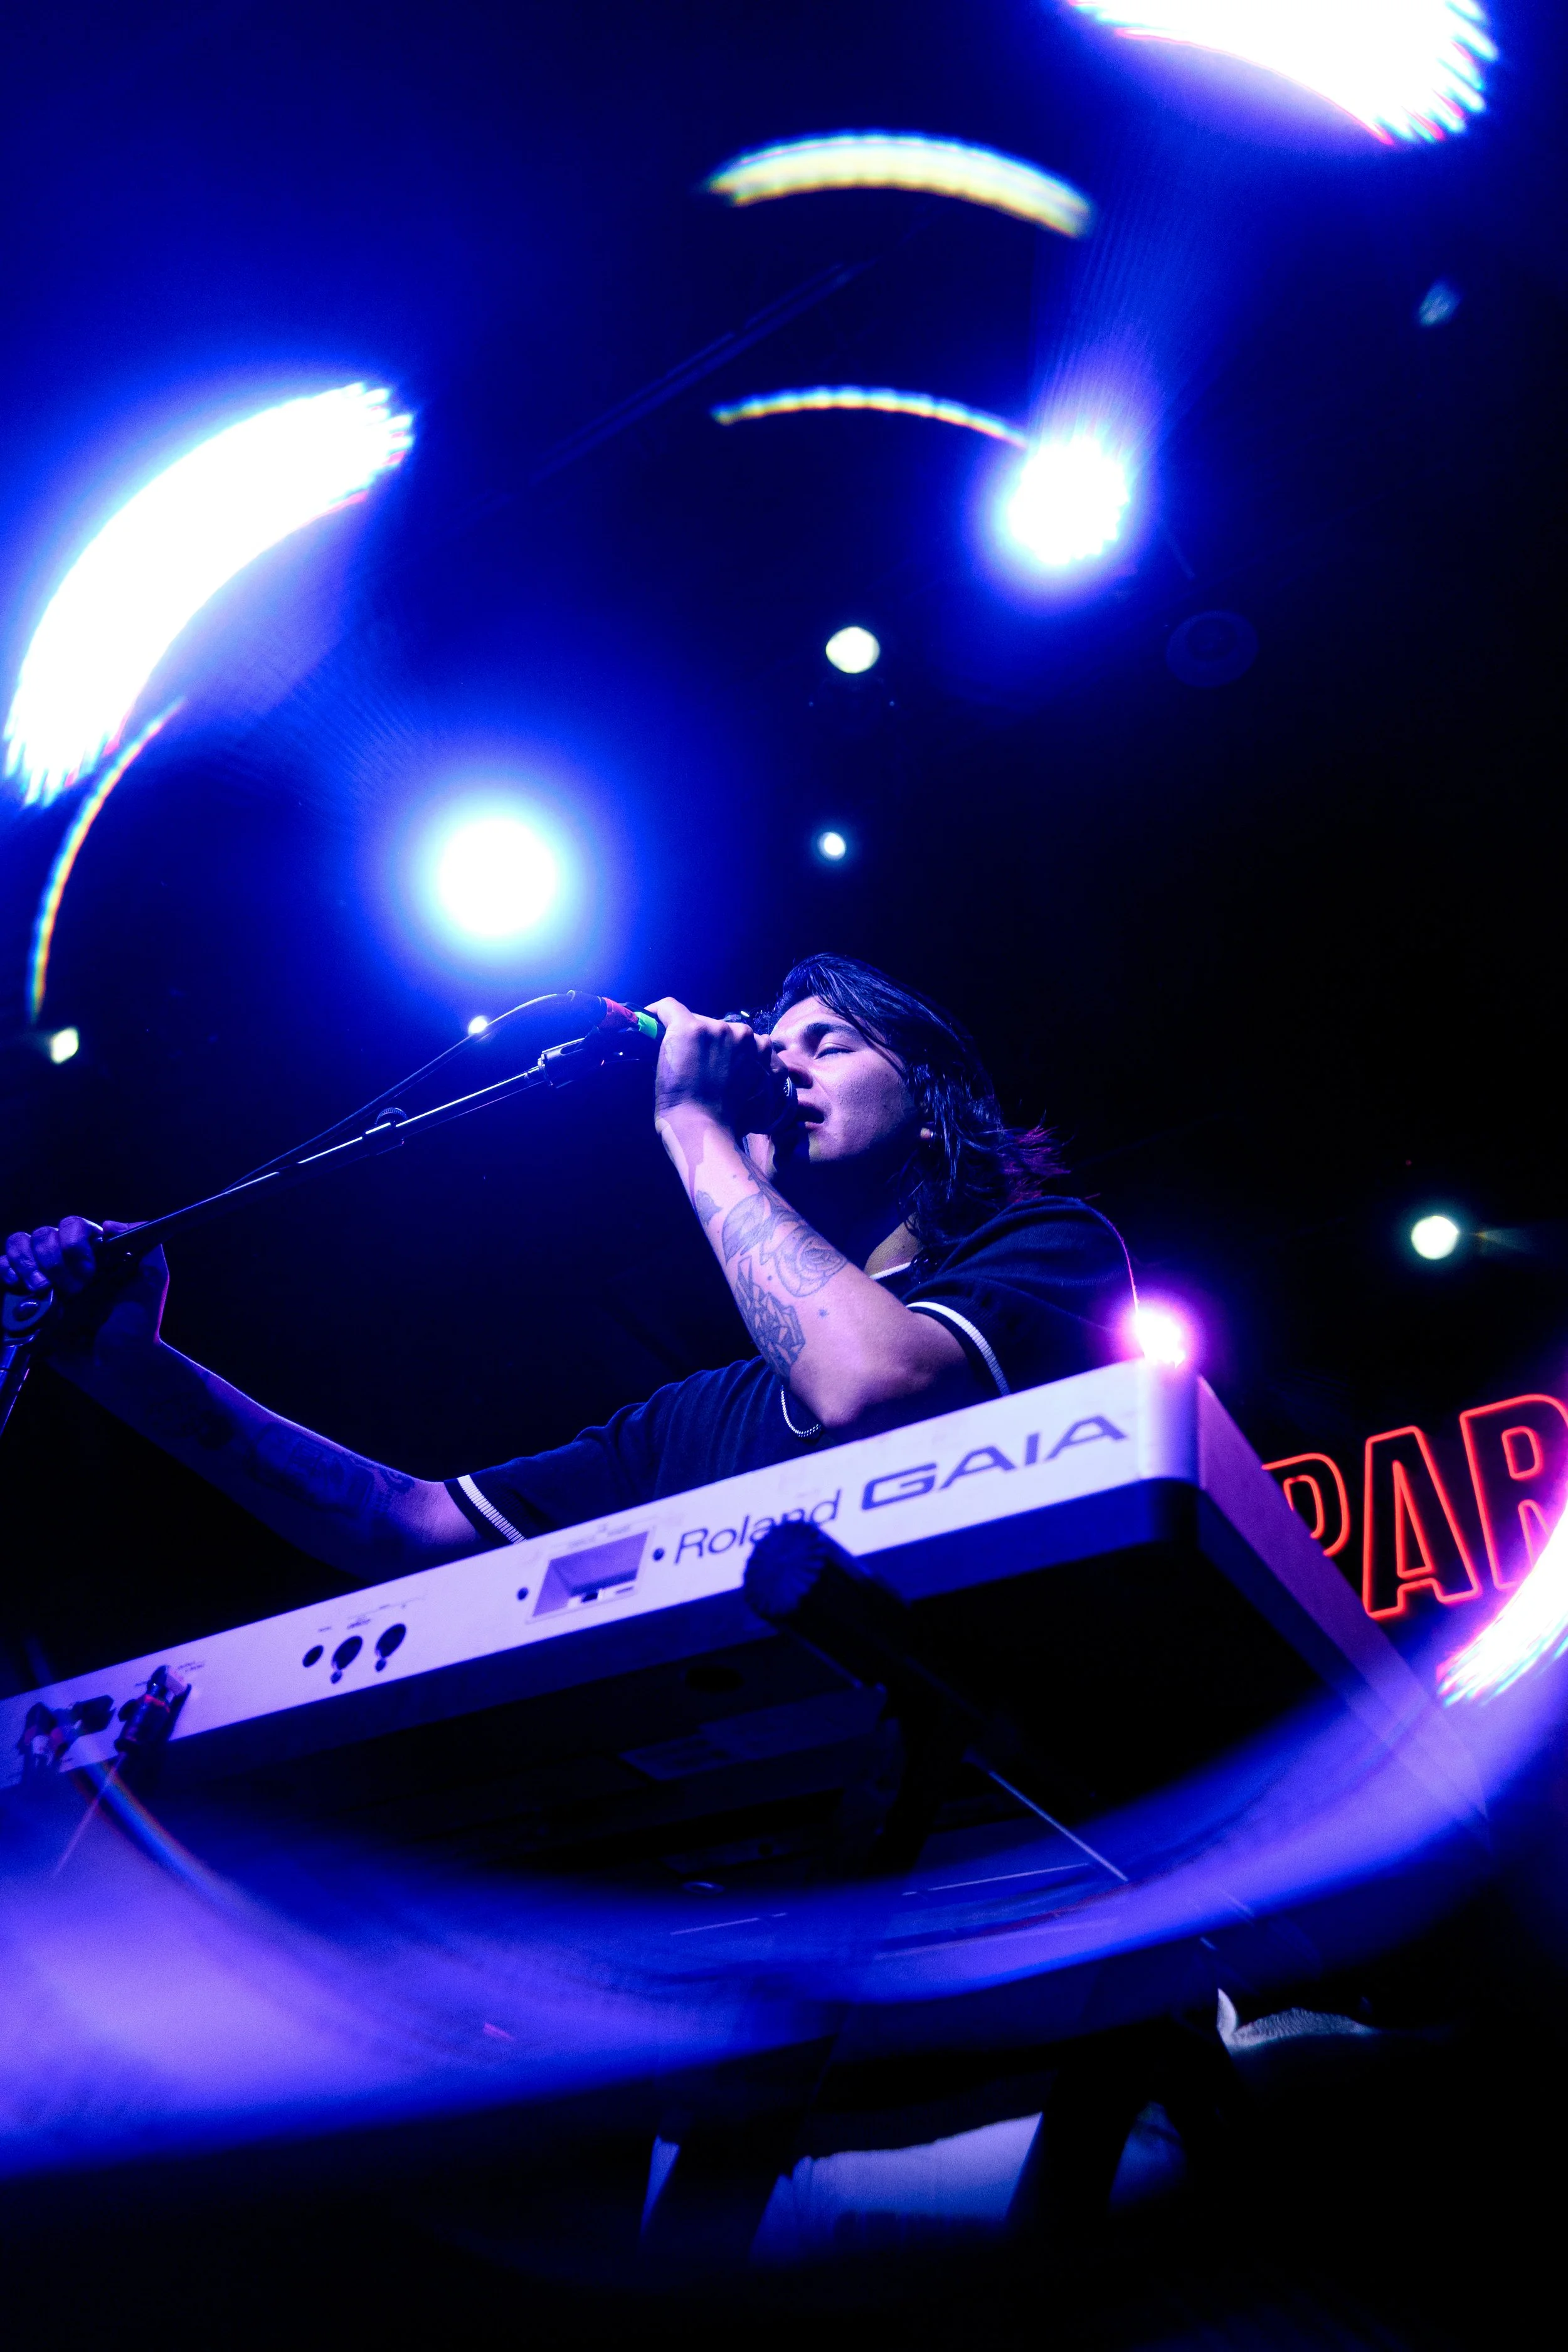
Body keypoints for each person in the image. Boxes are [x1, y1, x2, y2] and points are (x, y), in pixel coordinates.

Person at [1, 955, 1136, 1573]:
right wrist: (131, 1370)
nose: (781, 1065)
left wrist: (691, 1126)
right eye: (770, 1044)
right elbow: (410, 1529)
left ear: (933, 1109)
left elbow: (878, 1387)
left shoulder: (1048, 1253)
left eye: (826, 1043)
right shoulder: (697, 1421)